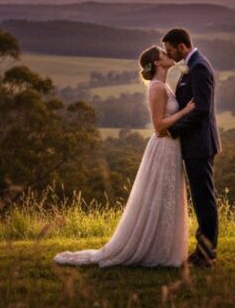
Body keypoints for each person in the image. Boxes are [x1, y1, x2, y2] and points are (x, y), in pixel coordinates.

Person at [53, 45, 194, 267]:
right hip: (163, 146)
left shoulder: (164, 85)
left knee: (166, 199)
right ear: (157, 63)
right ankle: (152, 249)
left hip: (171, 148)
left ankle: (165, 249)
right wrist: (185, 111)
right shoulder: (156, 88)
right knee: (158, 198)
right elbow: (158, 127)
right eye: (164, 54)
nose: (169, 55)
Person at [162, 28, 221, 268]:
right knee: (199, 199)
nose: (169, 54)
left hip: (200, 144)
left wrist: (173, 130)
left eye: (170, 50)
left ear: (182, 46)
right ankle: (202, 250)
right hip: (194, 144)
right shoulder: (193, 64)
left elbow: (202, 109)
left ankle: (207, 255)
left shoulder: (198, 67)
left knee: (204, 199)